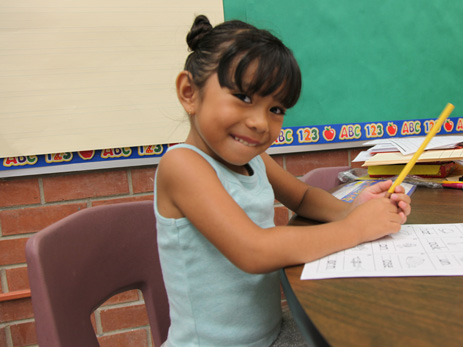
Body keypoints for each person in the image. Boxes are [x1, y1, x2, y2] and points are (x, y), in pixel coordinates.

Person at [154, 14, 411, 347]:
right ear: (190, 92)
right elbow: (253, 250)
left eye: (276, 109)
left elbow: (302, 197)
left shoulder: (254, 159)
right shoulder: (182, 165)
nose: (261, 123)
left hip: (269, 335)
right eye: (244, 98)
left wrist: (353, 210)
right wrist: (356, 229)